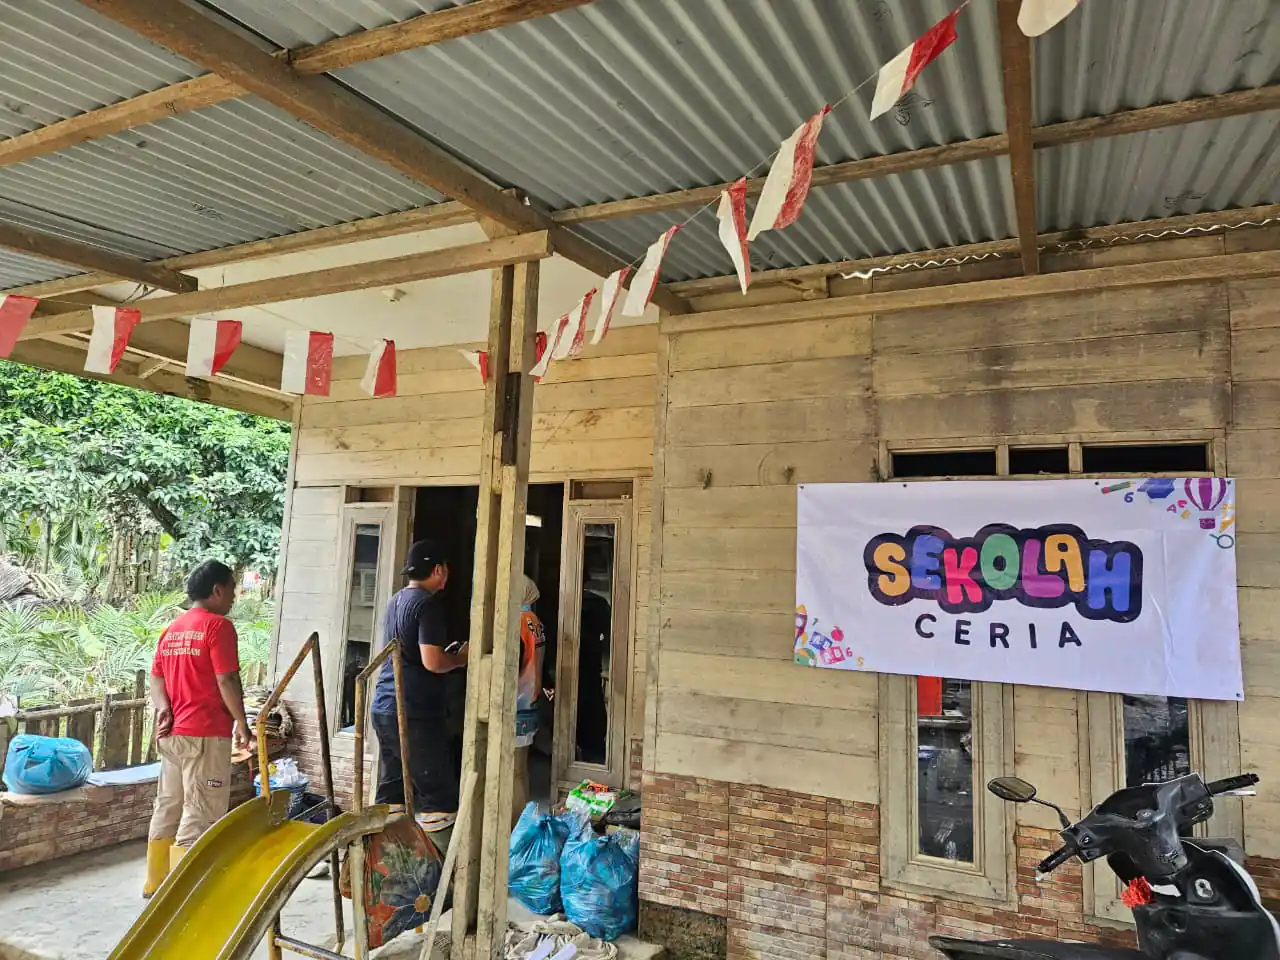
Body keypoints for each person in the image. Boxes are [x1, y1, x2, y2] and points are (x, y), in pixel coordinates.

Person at [143, 559, 250, 898]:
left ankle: (155, 881)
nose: (234, 596)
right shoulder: (218, 627)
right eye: (232, 589)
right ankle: (183, 893)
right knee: (201, 810)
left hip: (172, 734)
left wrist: (164, 708)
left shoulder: (172, 629)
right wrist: (242, 721)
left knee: (168, 804)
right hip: (205, 732)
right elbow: (226, 679)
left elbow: (156, 678)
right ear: (217, 590)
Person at [371, 539, 467, 855]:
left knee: (393, 791)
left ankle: (388, 866)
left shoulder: (396, 600)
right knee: (438, 796)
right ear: (438, 570)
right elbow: (433, 662)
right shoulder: (427, 605)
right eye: (446, 568)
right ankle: (440, 871)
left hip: (385, 706)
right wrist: (461, 658)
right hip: (414, 712)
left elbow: (410, 653)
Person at [513, 575, 547, 825]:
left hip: (516, 702)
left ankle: (515, 823)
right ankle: (523, 817)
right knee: (521, 769)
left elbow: (513, 663)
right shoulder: (535, 621)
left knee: (512, 772)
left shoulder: (518, 622)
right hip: (531, 700)